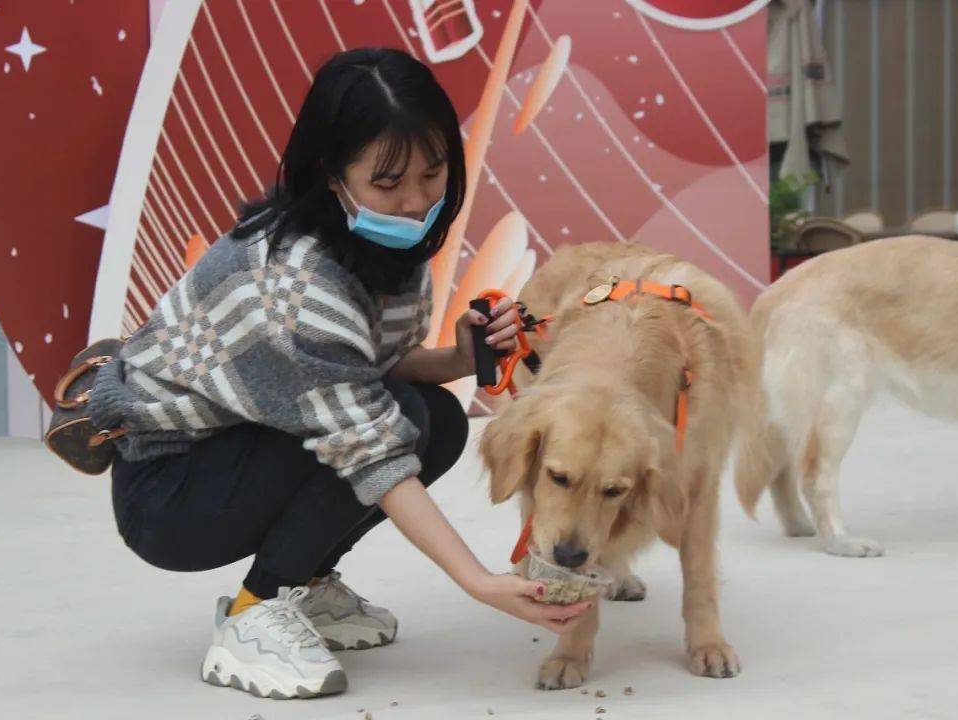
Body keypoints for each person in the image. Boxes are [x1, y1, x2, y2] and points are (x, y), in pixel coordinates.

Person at [89, 47, 590, 699]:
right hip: (171, 490)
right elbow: (366, 444)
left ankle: (308, 583)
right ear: (332, 176)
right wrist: (480, 582)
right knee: (403, 423)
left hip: (238, 449)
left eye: (433, 173)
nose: (415, 202)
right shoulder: (293, 285)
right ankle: (254, 613)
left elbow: (358, 367)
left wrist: (461, 358)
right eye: (389, 183)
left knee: (435, 417)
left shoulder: (379, 242)